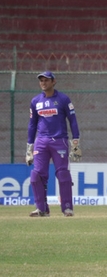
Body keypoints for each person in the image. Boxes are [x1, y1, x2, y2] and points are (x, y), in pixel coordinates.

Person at [26, 71, 81, 217]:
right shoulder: (35, 101)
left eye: (46, 80)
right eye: (41, 80)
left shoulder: (63, 99)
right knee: (36, 175)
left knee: (63, 174)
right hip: (41, 142)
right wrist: (29, 147)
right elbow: (32, 125)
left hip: (59, 140)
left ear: (53, 82)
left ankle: (67, 208)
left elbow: (73, 120)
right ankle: (42, 209)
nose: (43, 83)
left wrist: (76, 142)